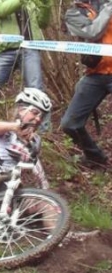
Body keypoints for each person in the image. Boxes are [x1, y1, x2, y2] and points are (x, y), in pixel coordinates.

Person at [0, 0, 52, 132]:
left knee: (36, 90)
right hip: (6, 50)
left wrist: (45, 4)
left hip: (30, 48)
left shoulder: (29, 3)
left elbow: (43, 23)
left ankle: (41, 132)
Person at [61, 0, 112, 167]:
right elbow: (92, 32)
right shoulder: (74, 13)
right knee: (70, 124)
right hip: (95, 75)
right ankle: (95, 158)